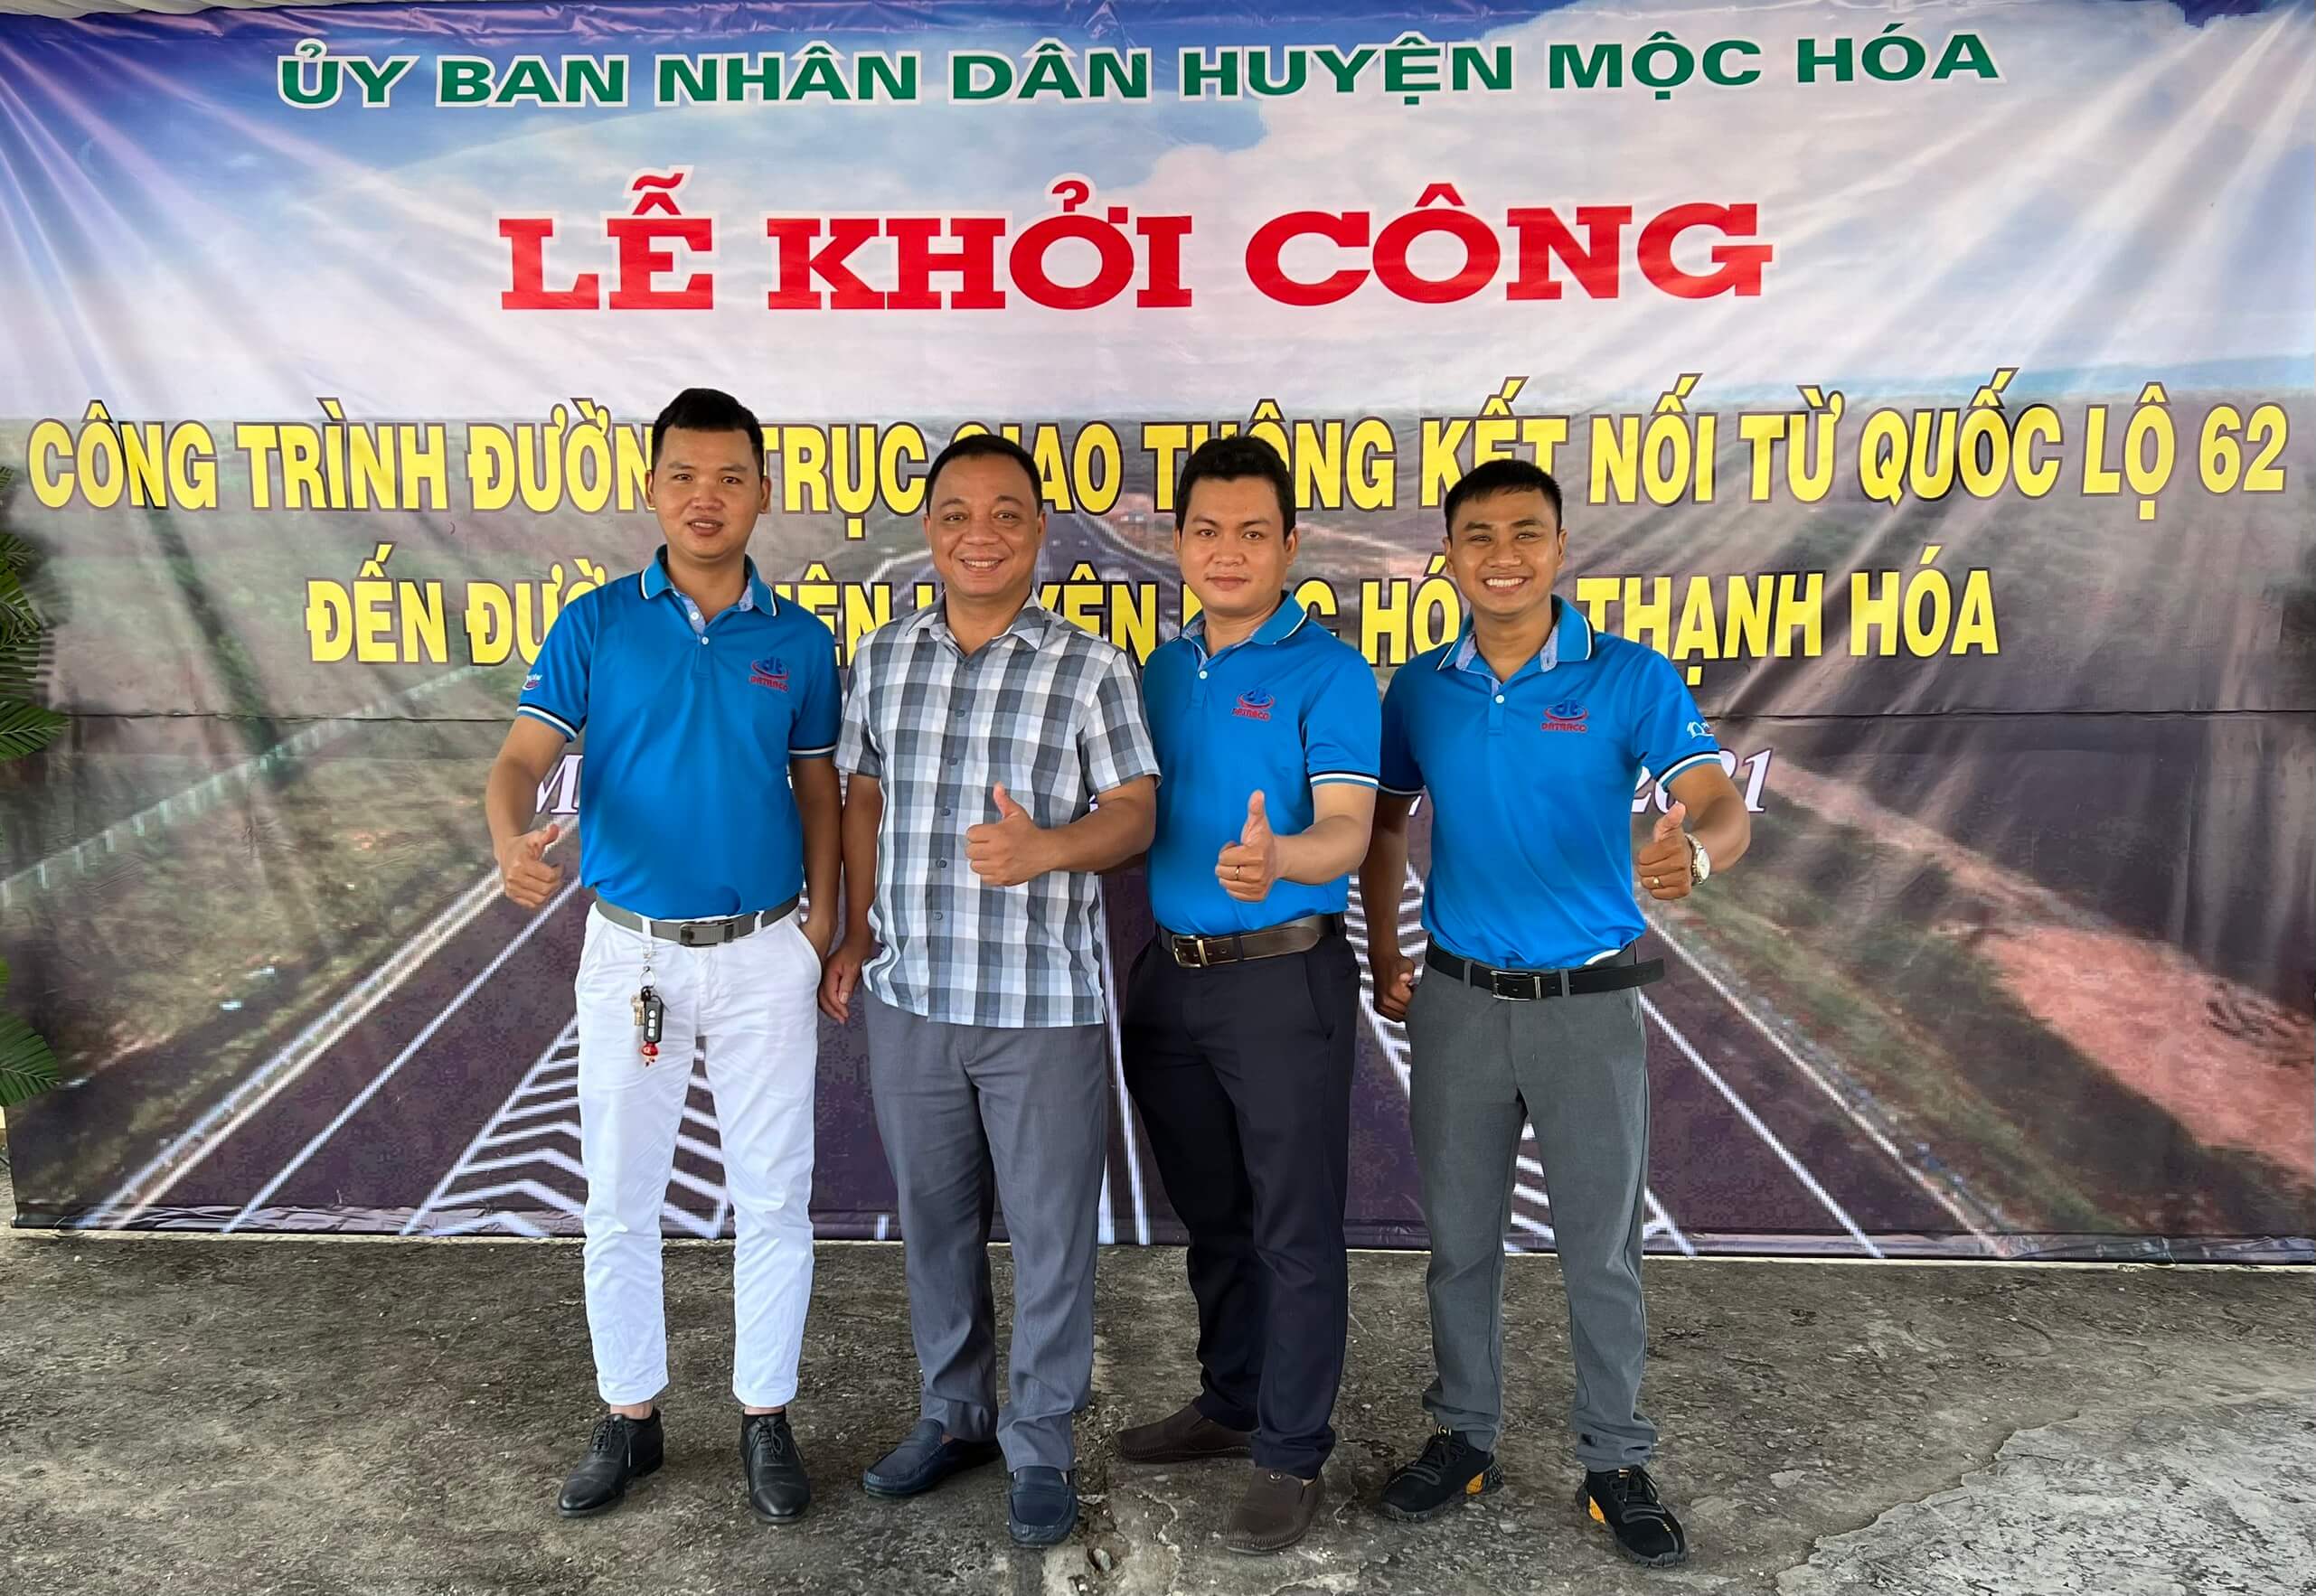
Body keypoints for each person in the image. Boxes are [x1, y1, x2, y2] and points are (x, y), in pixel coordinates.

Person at [1357, 458, 1751, 1568]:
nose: (1503, 554)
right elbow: (1384, 825)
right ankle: (1464, 1435)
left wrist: (1698, 854)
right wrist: (1385, 949)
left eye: (1525, 532)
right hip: (1458, 1000)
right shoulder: (1419, 688)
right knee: (1459, 1240)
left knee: (1601, 1248)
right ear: (1448, 556)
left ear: (1561, 547)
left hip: (1587, 1005)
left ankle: (1616, 1459)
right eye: (1478, 535)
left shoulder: (1628, 675)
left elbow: (1716, 799)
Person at [483, 388, 841, 1524]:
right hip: (632, 953)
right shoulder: (596, 623)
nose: (706, 497)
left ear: (762, 493)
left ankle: (765, 1414)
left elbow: (820, 789)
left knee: (774, 1195)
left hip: (762, 950)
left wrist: (823, 924)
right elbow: (521, 758)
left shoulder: (798, 640)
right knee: (620, 1194)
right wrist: (508, 839)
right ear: (652, 488)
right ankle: (629, 1415)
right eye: (684, 475)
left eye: (730, 476)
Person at [820, 431, 1160, 1547]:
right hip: (912, 992)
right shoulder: (884, 656)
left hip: (1040, 1006)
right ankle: (954, 1413)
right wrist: (856, 928)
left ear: (1039, 532)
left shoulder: (1089, 666)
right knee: (935, 1224)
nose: (982, 533)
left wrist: (1048, 847)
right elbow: (861, 797)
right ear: (930, 529)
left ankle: (1042, 1438)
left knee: (1052, 1235)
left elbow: (1135, 813)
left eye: (1006, 513)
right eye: (958, 513)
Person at [1111, 437, 1379, 1554]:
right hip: (1171, 981)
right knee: (1214, 1215)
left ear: (1289, 544)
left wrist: (1281, 860)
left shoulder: (1330, 670)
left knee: (1293, 1226)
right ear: (1178, 543)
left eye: (1253, 532)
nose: (1229, 552)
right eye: (1208, 531)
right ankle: (1232, 1400)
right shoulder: (1162, 671)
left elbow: (1348, 828)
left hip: (1281, 975)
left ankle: (1291, 1447)